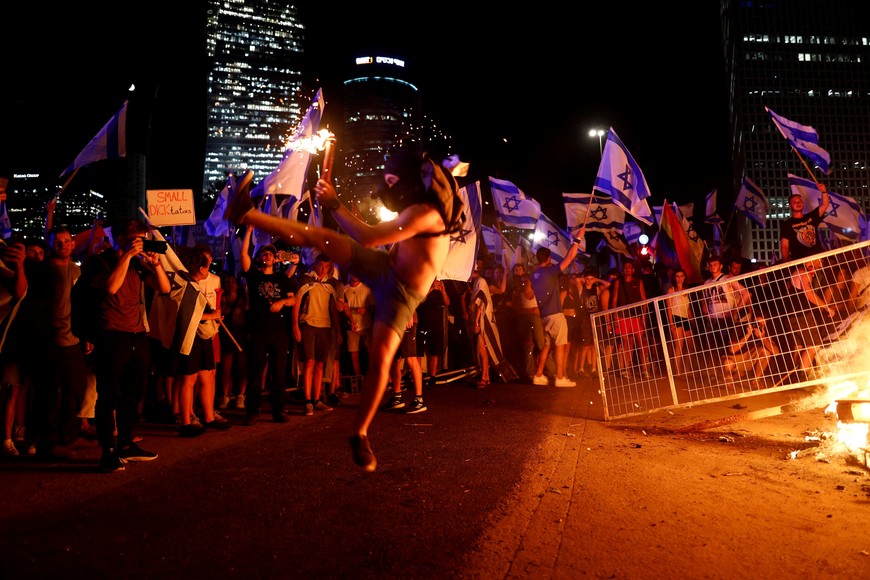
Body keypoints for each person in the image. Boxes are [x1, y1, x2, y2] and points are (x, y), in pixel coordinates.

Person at [223, 143, 465, 472]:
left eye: (394, 182)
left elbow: (367, 237)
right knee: (323, 238)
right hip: (384, 267)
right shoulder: (417, 203)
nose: (390, 188)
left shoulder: (424, 213)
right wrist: (332, 206)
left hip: (402, 294)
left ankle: (360, 433)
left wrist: (335, 204)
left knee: (380, 360)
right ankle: (245, 213)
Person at [81, 219, 170, 472]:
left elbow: (164, 288)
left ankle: (126, 444)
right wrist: (126, 255)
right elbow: (110, 287)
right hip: (111, 335)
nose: (139, 242)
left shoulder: (138, 264)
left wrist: (156, 265)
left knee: (133, 393)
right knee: (109, 395)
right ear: (119, 237)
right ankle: (108, 450)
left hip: (136, 334)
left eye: (141, 238)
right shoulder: (100, 261)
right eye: (135, 238)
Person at [237, 227, 296, 426]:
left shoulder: (282, 278)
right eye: (265, 253)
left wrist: (281, 303)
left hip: (279, 332)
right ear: (261, 258)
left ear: (275, 258)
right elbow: (243, 254)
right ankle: (252, 411)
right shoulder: (254, 276)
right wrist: (249, 231)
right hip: (258, 331)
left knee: (278, 373)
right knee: (255, 372)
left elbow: (292, 299)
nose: (268, 255)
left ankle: (278, 411)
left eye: (271, 253)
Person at [174, 245, 230, 437]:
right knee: (189, 379)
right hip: (191, 337)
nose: (208, 271)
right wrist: (211, 315)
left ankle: (208, 416)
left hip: (204, 336)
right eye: (207, 267)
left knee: (207, 374)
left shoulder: (195, 285)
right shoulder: (187, 285)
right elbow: (190, 315)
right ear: (200, 269)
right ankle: (186, 421)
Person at [529, 236, 584, 388]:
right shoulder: (549, 272)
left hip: (544, 316)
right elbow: (570, 257)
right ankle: (560, 377)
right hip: (555, 315)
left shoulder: (534, 275)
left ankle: (538, 375)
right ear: (548, 258)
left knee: (548, 345)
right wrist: (578, 240)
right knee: (560, 345)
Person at [293, 253, 339, 416]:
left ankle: (317, 399)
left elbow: (333, 308)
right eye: (320, 265)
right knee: (309, 362)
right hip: (308, 324)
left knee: (321, 363)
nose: (322, 269)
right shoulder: (306, 280)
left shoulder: (331, 284)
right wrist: (295, 326)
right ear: (315, 264)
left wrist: (338, 330)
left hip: (325, 326)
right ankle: (308, 401)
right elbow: (296, 303)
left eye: (326, 266)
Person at [609, 261, 651, 380]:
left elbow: (643, 299)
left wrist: (643, 316)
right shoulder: (618, 282)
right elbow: (614, 299)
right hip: (623, 316)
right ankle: (626, 369)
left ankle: (644, 369)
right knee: (626, 344)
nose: (627, 269)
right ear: (623, 270)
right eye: (625, 267)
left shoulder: (638, 282)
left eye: (629, 267)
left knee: (640, 343)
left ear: (633, 270)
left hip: (636, 316)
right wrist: (615, 316)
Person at [780, 183, 830, 263]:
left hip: (817, 259)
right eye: (794, 202)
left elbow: (825, 205)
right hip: (800, 261)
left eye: (800, 201)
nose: (798, 203)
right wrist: (786, 264)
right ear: (790, 206)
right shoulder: (787, 224)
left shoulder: (811, 217)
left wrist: (824, 192)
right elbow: (784, 246)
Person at [342, 272, 374, 378]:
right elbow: (344, 308)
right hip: (352, 325)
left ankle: (371, 375)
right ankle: (358, 377)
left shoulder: (366, 289)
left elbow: (374, 306)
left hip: (366, 324)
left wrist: (366, 309)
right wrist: (350, 320)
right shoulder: (344, 289)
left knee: (369, 350)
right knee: (353, 352)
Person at [665, 269, 693, 376]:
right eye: (677, 276)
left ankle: (688, 370)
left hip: (686, 318)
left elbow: (688, 307)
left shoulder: (686, 290)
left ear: (684, 277)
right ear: (674, 277)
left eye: (681, 276)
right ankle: (678, 371)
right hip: (676, 317)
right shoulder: (671, 290)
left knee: (691, 346)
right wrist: (671, 323)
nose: (679, 278)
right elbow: (669, 308)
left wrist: (692, 320)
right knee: (679, 345)